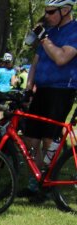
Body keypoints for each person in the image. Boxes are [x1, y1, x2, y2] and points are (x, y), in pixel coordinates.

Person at [24, 0, 77, 197]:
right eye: (46, 12)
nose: (47, 16)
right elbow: (35, 63)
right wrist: (28, 89)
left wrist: (44, 38)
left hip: (62, 90)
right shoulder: (49, 32)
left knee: (49, 140)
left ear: (66, 10)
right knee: (30, 138)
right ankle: (36, 181)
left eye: (51, 12)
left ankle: (49, 185)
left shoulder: (74, 30)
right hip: (42, 90)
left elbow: (61, 58)